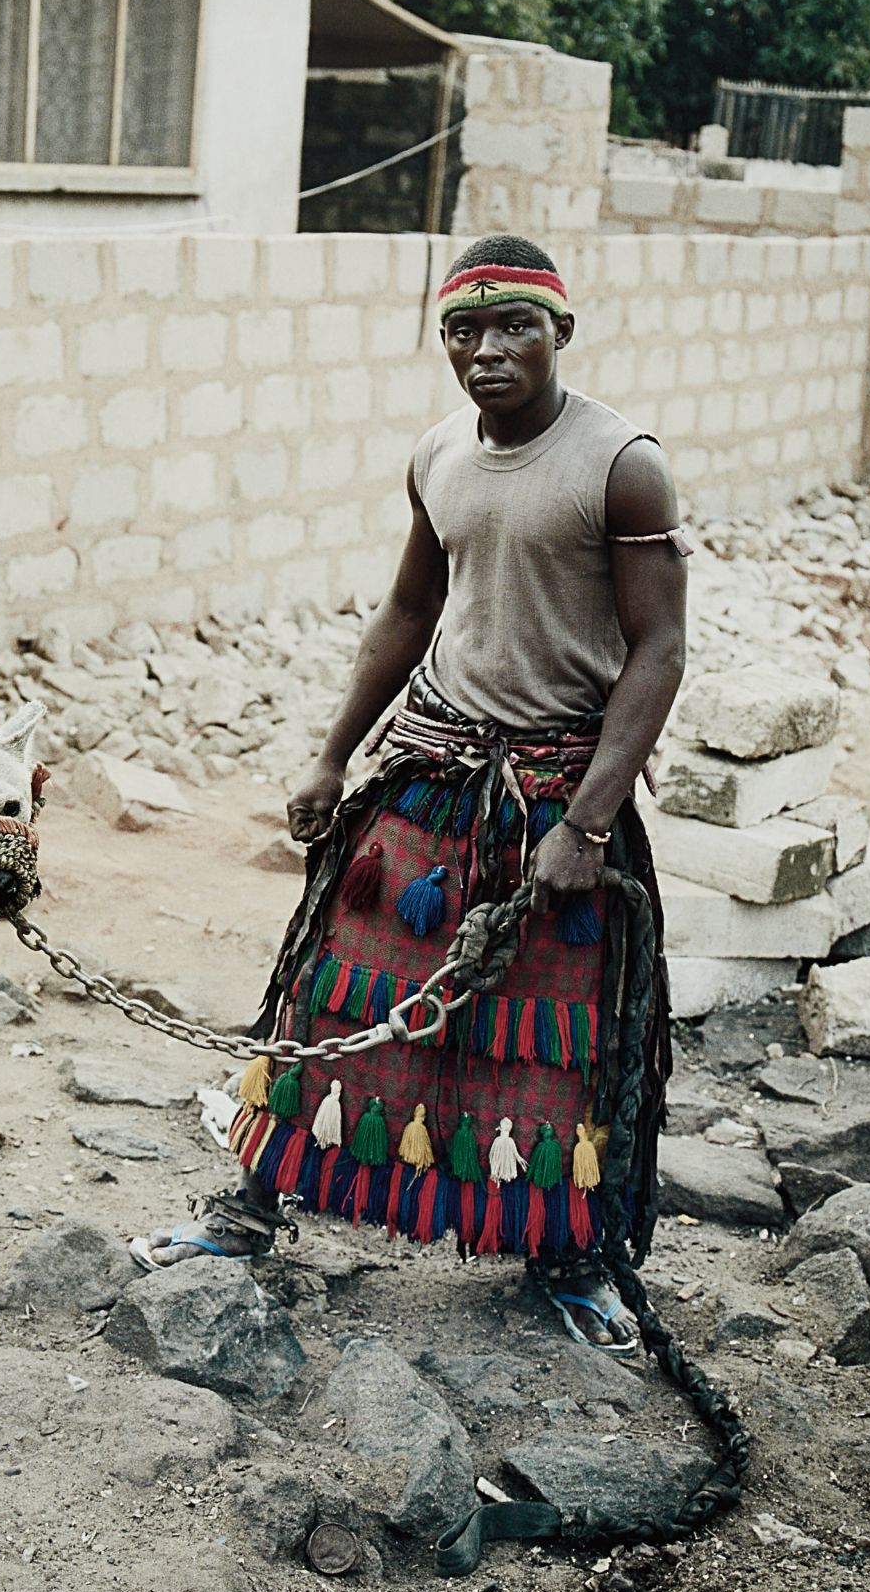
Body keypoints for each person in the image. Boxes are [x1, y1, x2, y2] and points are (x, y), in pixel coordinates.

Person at [133, 233, 690, 1353]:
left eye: (514, 326)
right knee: (330, 996)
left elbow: (660, 650)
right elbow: (404, 611)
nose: (487, 350)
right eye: (463, 329)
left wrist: (586, 820)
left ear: (560, 332)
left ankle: (570, 1258)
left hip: (551, 792)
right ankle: (252, 1205)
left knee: (555, 1037)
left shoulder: (622, 462)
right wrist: (331, 755)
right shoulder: (437, 452)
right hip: (426, 776)